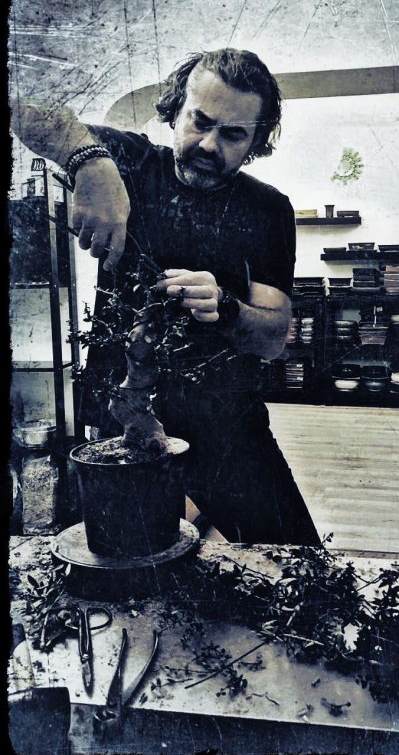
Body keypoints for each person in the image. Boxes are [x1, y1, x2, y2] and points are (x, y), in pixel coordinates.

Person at [13, 47, 321, 546]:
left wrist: (226, 308)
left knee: (293, 558)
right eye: (200, 121)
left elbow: (272, 339)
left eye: (233, 134)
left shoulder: (267, 209)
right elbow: (22, 102)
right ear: (176, 109)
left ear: (256, 142)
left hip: (226, 421)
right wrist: (90, 163)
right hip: (125, 414)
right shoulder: (130, 161)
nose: (209, 145)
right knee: (130, 564)